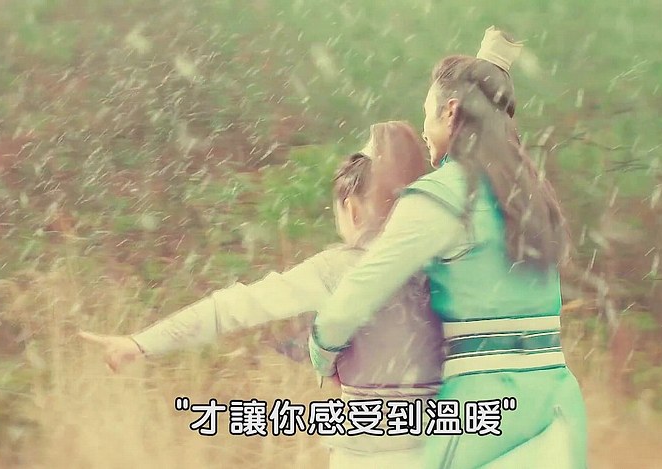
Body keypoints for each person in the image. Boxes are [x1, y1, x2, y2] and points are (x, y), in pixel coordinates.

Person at [79, 121, 444, 469]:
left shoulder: (338, 269)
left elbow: (233, 308)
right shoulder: (444, 264)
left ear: (351, 209)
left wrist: (141, 342)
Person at [309, 27, 588, 468]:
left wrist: (322, 349)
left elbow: (361, 291)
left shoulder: (441, 196)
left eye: (427, 113)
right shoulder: (529, 192)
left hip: (486, 412)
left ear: (451, 111)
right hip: (556, 407)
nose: (424, 129)